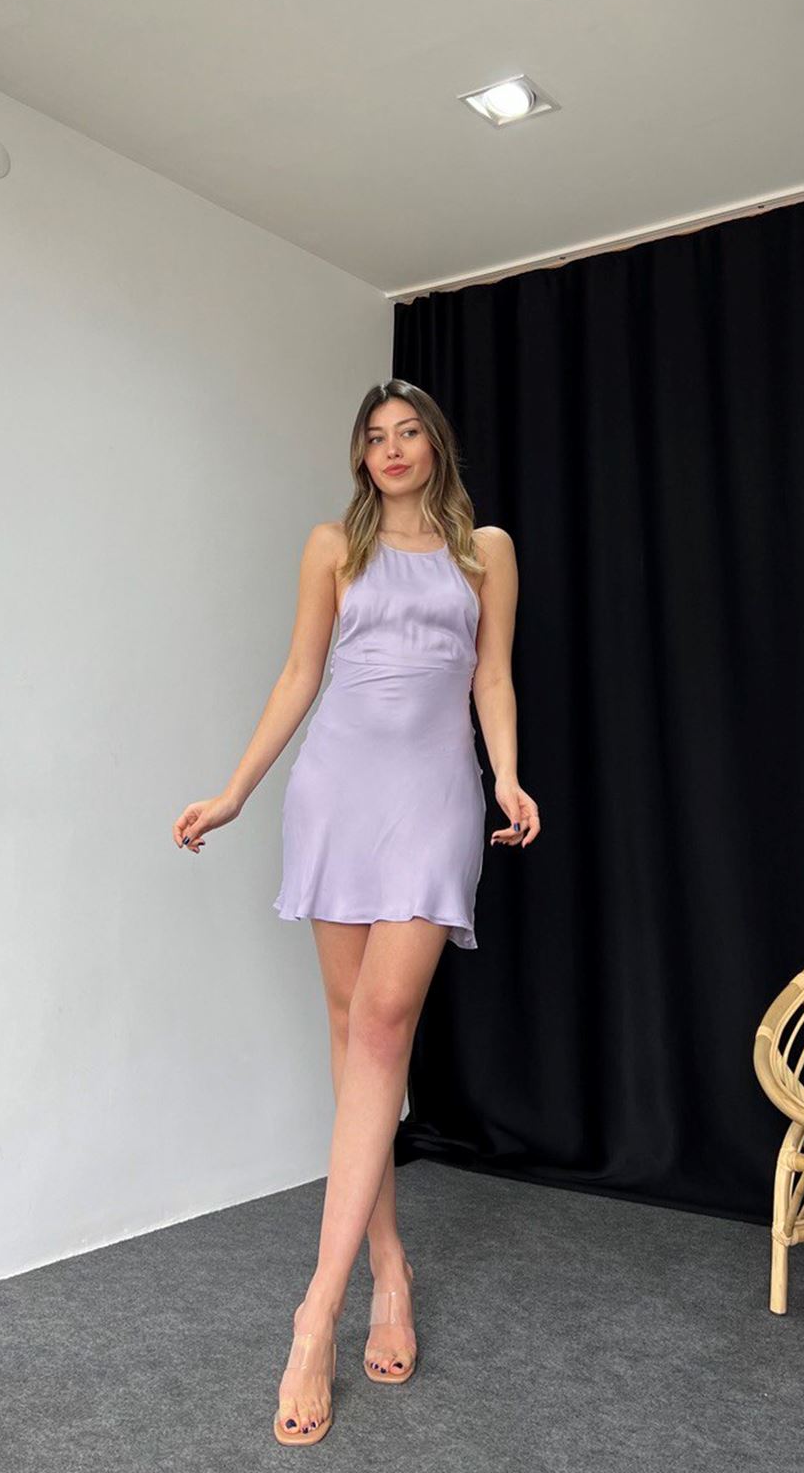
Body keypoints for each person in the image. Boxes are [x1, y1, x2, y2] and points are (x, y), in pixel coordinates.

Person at [172, 380, 539, 1445]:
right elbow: (301, 673)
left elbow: (492, 677)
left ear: (436, 444)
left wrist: (508, 778)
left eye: (408, 431)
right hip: (336, 792)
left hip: (434, 798)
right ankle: (387, 1265)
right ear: (360, 455)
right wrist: (237, 792)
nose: (392, 447)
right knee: (352, 1036)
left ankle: (314, 1315)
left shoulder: (487, 551)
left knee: (381, 1027)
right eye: (375, 436)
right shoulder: (334, 545)